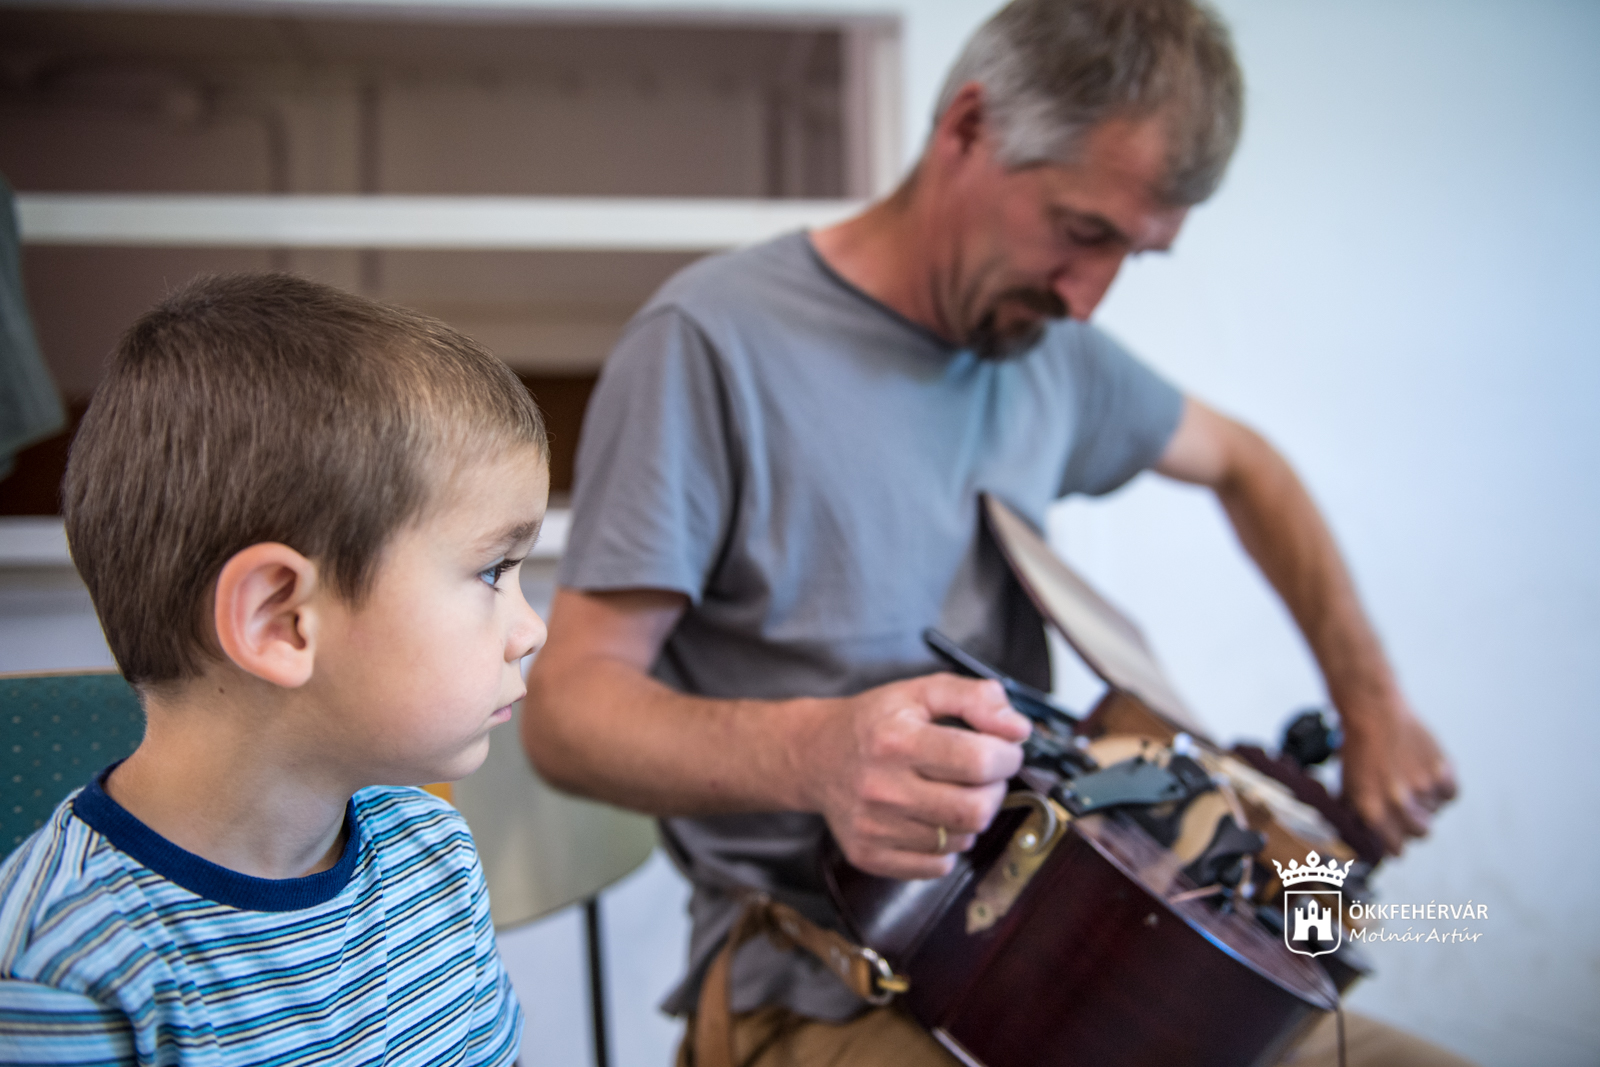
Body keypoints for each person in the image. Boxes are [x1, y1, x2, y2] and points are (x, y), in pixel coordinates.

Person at [523, 0, 1462, 1063]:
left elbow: (1250, 463)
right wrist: (814, 753)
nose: (1088, 298)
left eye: (1134, 257)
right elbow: (567, 710)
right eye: (1081, 230)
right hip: (826, 971)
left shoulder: (1044, 349)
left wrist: (1369, 698)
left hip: (1063, 938)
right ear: (967, 127)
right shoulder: (709, 343)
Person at [0, 273, 549, 1065]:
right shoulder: (65, 970)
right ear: (281, 620)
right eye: (494, 571)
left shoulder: (433, 856)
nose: (530, 629)